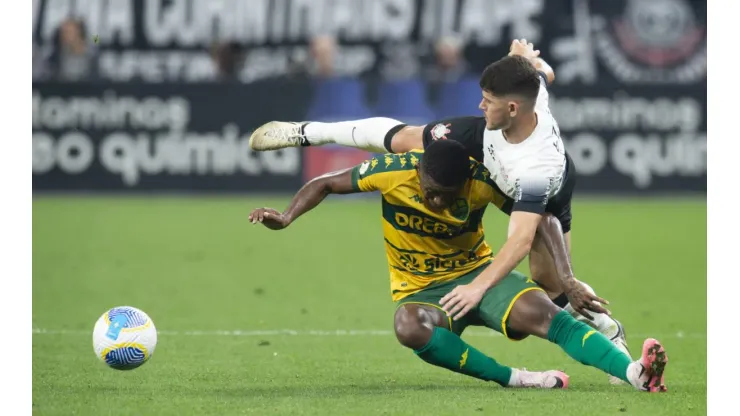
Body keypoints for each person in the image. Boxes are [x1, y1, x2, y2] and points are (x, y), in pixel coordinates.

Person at [249, 39, 630, 384]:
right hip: (489, 144)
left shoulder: (533, 169)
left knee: (549, 281)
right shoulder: (509, 109)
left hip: (547, 193)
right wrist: (526, 60)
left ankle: (607, 330)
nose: (480, 104)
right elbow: (537, 77)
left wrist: (561, 278)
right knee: (406, 137)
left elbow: (522, 237)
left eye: (488, 100)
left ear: (512, 108)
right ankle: (306, 131)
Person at [248, 140, 668, 392]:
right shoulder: (390, 171)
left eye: (447, 195)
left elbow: (543, 219)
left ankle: (633, 373)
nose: (437, 202)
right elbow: (325, 183)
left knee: (548, 316)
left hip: (477, 277)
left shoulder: (484, 180)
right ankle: (518, 379)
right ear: (419, 172)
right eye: (431, 192)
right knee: (408, 326)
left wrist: (568, 277)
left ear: (465, 182)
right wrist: (286, 218)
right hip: (423, 292)